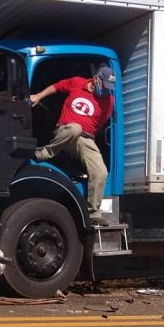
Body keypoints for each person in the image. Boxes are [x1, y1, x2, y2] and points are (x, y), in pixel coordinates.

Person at [30, 65, 116, 225]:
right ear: (96, 79)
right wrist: (38, 96)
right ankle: (46, 152)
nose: (106, 90)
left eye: (109, 88)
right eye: (104, 86)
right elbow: (57, 87)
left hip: (85, 138)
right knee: (75, 128)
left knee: (101, 171)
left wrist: (89, 136)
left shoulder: (109, 100)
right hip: (65, 131)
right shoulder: (77, 83)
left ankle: (93, 213)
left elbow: (101, 123)